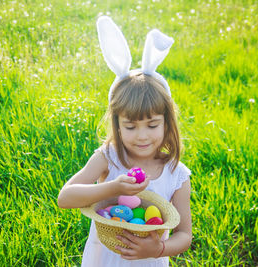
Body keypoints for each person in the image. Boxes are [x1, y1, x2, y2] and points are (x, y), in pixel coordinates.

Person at [58, 16, 192, 266]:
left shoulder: (176, 174)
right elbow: (65, 198)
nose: (142, 135)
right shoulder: (107, 157)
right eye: (130, 126)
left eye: (152, 125)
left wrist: (159, 248)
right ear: (117, 125)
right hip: (104, 259)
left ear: (167, 123)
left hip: (150, 260)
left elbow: (184, 235)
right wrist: (114, 188)